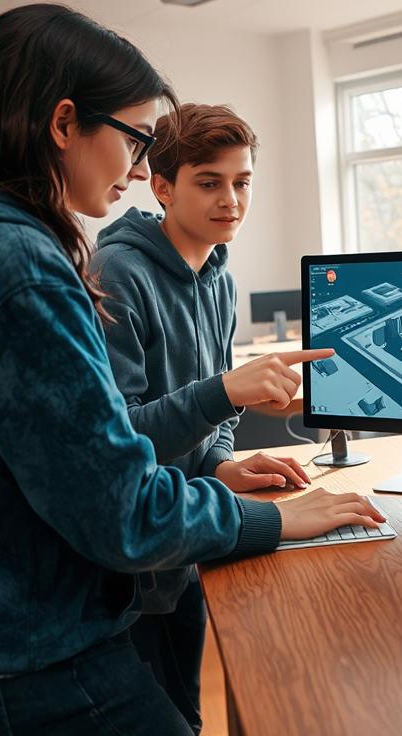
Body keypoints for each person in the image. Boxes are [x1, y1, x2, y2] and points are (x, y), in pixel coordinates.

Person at [0, 3, 382, 735]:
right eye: (136, 140)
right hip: (11, 669)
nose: (140, 165)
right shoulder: (16, 269)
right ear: (63, 125)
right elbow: (121, 510)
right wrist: (271, 521)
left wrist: (219, 479)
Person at [93, 103, 310, 732]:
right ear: (162, 187)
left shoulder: (218, 276)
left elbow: (215, 426)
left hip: (187, 538)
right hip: (132, 568)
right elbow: (116, 441)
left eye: (242, 182)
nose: (232, 201)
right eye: (209, 182)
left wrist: (222, 465)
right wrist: (224, 390)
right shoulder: (116, 275)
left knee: (190, 708)